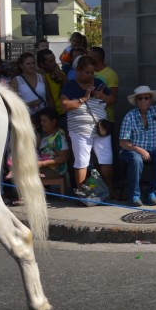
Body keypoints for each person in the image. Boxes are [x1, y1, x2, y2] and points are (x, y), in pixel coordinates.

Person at [60, 55, 115, 204]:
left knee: (106, 159)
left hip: (100, 127)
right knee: (82, 161)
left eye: (92, 72)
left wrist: (102, 95)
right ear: (78, 70)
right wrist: (84, 98)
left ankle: (109, 190)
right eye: (87, 72)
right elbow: (65, 105)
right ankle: (82, 194)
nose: (90, 75)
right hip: (79, 129)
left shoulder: (99, 83)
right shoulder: (70, 86)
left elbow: (112, 100)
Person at [118, 85, 156, 207]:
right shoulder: (130, 116)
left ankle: (152, 193)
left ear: (151, 100)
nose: (143, 100)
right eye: (140, 98)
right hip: (131, 150)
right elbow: (123, 142)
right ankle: (134, 196)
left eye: (146, 98)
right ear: (136, 101)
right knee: (136, 159)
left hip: (152, 151)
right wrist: (139, 150)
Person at [36, 107, 69, 192]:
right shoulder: (45, 135)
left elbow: (62, 157)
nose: (42, 123)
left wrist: (42, 163)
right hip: (44, 167)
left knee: (28, 175)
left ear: (53, 122)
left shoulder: (59, 136)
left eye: (44, 121)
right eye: (41, 120)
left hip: (55, 170)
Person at [8, 52, 49, 119]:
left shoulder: (42, 78)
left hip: (43, 117)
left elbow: (49, 98)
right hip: (26, 117)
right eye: (28, 64)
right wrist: (29, 104)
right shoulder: (16, 81)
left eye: (33, 63)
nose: (32, 66)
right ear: (21, 66)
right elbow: (13, 102)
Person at [37, 49, 68, 131]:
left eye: (54, 59)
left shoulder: (60, 74)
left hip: (62, 114)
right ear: (42, 64)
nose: (54, 63)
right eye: (50, 61)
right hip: (46, 116)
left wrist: (62, 78)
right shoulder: (38, 78)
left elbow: (68, 91)